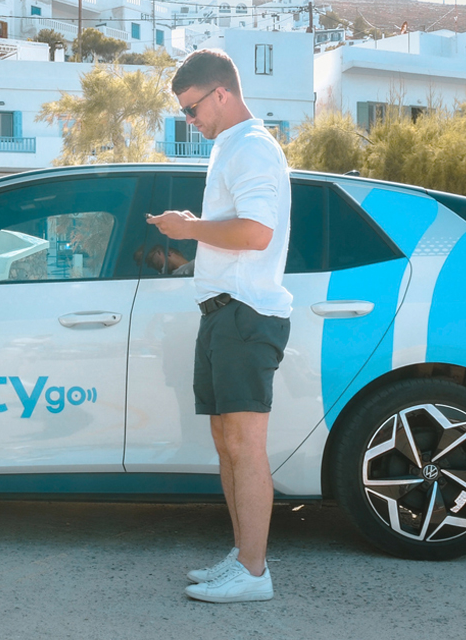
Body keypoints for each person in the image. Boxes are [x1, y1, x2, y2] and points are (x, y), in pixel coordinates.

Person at [147, 48, 292, 604]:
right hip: (223, 313)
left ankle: (254, 574)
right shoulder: (232, 148)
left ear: (221, 93)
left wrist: (189, 229)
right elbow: (239, 234)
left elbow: (256, 233)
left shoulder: (253, 148)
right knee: (226, 443)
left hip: (245, 313)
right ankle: (243, 557)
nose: (190, 121)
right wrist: (190, 243)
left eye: (192, 109)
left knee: (244, 445)